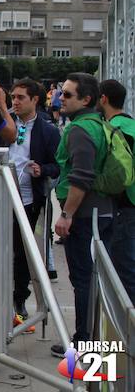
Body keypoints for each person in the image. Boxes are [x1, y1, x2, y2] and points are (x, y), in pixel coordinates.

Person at [50, 73, 115, 358]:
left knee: (84, 281)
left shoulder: (80, 130)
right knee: (93, 280)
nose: (60, 98)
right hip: (102, 214)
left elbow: (81, 178)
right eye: (61, 93)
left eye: (67, 95)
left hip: (87, 217)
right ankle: (94, 346)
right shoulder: (98, 124)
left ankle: (85, 345)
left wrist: (66, 214)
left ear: (86, 99)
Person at [7, 78, 60, 321]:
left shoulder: (48, 131)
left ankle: (20, 298)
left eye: (20, 98)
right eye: (13, 97)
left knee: (22, 253)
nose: (15, 102)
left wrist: (43, 170)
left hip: (28, 201)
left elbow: (57, 166)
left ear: (35, 100)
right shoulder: (2, 124)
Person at [98, 79, 135, 304]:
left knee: (125, 267)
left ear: (103, 99)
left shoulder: (114, 130)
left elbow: (115, 175)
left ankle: (127, 331)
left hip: (125, 205)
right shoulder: (131, 124)